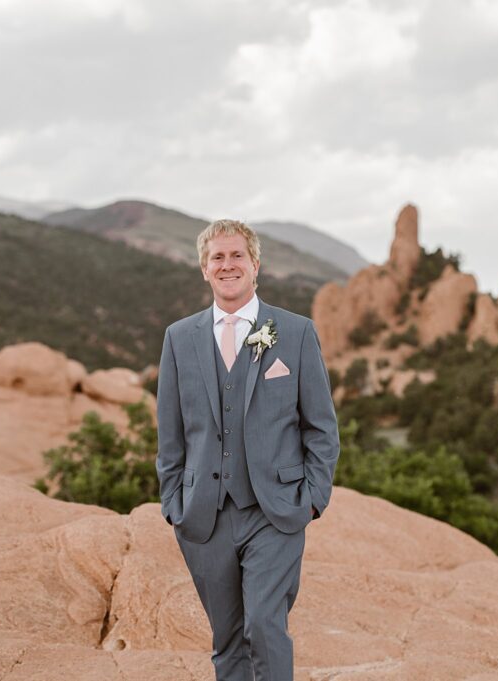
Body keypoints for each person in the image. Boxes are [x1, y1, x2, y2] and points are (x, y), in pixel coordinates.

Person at [155, 219, 340, 679]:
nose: (227, 265)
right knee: (228, 639)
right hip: (204, 514)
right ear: (204, 269)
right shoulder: (179, 338)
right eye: (217, 257)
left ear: (256, 264)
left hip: (275, 510)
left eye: (237, 255)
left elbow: (321, 428)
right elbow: (170, 433)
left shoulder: (295, 332)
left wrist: (312, 499)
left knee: (264, 626)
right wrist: (174, 503)